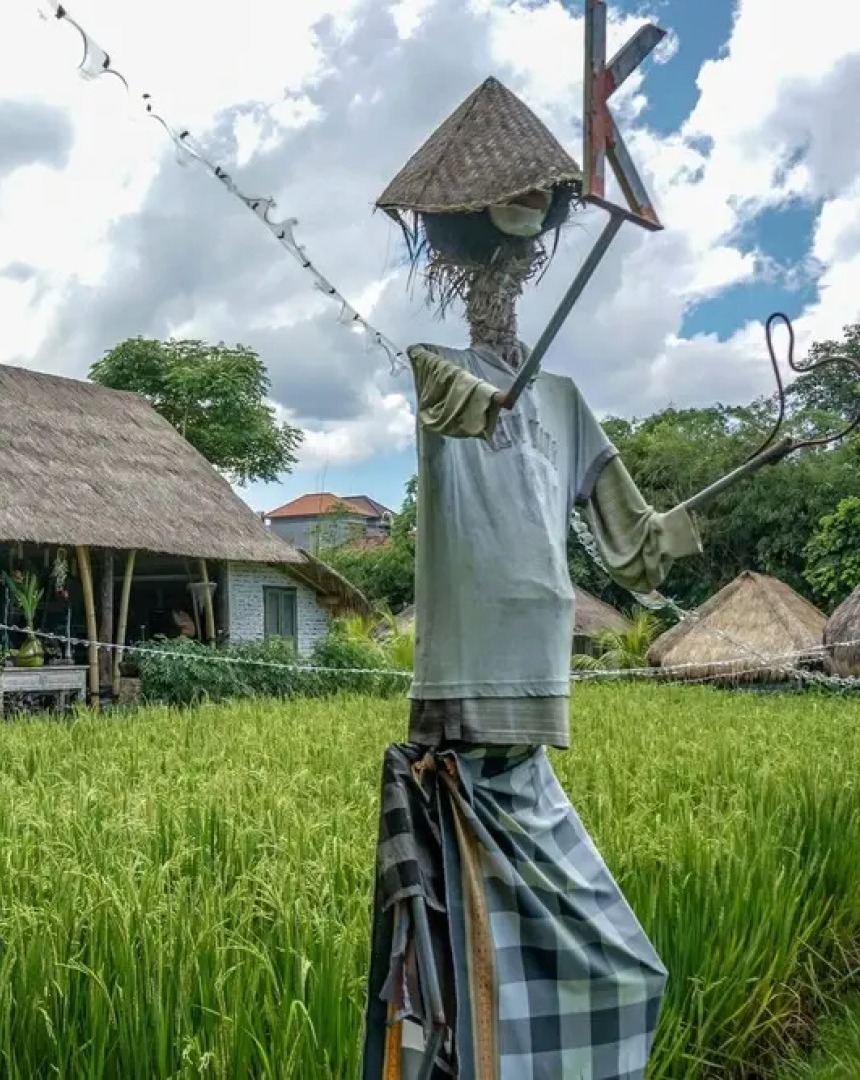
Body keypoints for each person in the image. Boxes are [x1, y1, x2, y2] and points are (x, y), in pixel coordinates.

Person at [360, 76, 701, 1080]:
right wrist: (470, 390)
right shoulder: (436, 369)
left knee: (613, 964)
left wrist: (671, 530)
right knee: (460, 962)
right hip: (465, 697)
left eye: (521, 241)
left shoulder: (561, 397)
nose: (508, 268)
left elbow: (630, 548)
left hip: (536, 696)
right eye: (496, 247)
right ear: (465, 255)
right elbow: (450, 408)